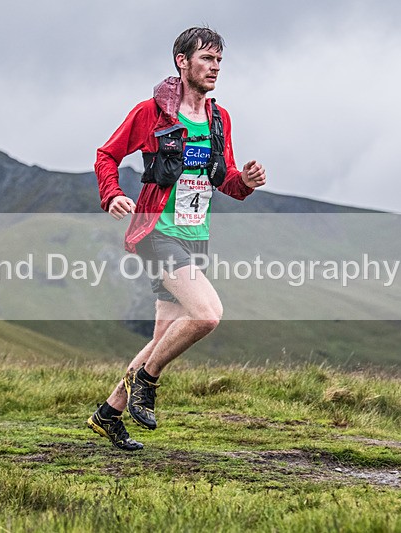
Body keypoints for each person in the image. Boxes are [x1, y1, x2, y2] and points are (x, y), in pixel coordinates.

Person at [88, 26, 267, 450]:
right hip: (157, 231)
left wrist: (247, 181)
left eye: (219, 60)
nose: (216, 67)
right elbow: (106, 155)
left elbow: (226, 180)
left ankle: (108, 414)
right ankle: (146, 382)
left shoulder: (220, 118)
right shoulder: (150, 113)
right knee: (207, 315)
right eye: (207, 59)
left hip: (195, 235)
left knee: (162, 336)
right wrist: (112, 194)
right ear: (181, 62)